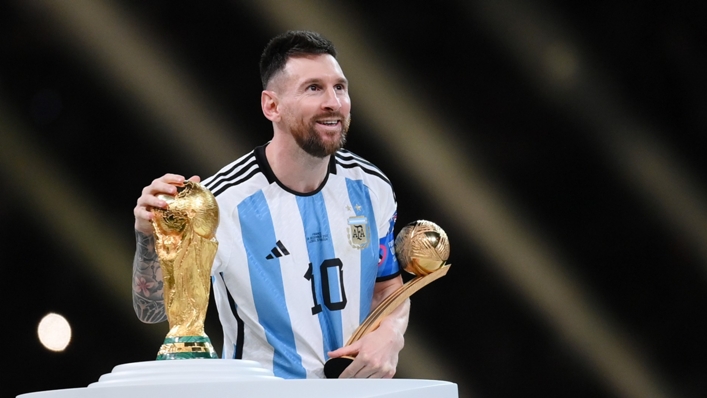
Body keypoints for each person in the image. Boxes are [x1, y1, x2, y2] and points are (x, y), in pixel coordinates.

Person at [132, 30, 409, 379]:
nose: (334, 102)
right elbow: (153, 310)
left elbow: (387, 287)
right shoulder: (221, 203)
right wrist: (149, 237)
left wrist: (391, 334)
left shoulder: (372, 188)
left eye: (339, 87)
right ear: (271, 106)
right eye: (314, 88)